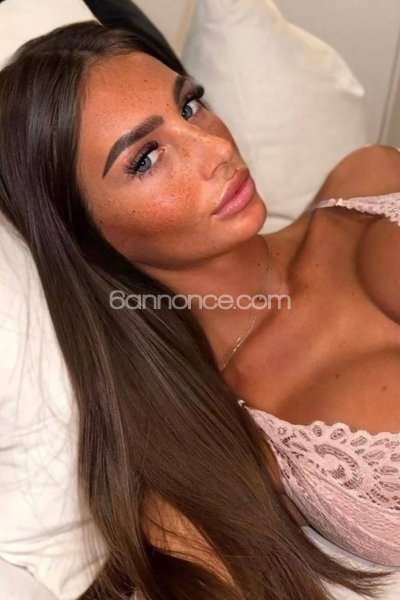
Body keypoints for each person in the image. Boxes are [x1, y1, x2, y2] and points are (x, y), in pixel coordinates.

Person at [0, 20, 398, 600]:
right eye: (145, 158)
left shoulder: (370, 185)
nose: (216, 149)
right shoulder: (197, 445)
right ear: (83, 233)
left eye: (190, 106)